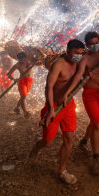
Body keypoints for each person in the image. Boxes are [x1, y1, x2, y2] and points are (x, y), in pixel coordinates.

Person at [29, 39, 85, 185]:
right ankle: (36, 148)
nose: (79, 56)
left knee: (69, 139)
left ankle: (62, 170)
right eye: (75, 53)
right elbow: (48, 87)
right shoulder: (58, 64)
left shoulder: (79, 63)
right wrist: (51, 110)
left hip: (69, 106)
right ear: (67, 52)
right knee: (47, 142)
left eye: (81, 53)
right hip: (53, 106)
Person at [63, 32, 99, 175]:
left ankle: (84, 141)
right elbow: (78, 76)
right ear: (87, 45)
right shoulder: (84, 60)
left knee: (96, 120)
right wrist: (70, 90)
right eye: (91, 44)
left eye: (96, 43)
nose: (94, 45)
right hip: (89, 94)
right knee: (96, 124)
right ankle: (96, 157)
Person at [7, 52, 34, 118]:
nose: (24, 61)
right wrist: (14, 79)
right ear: (19, 60)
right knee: (24, 96)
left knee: (23, 96)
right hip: (22, 81)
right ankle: (26, 112)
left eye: (25, 59)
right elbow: (8, 74)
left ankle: (17, 108)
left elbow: (39, 62)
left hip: (30, 81)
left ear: (26, 58)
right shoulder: (17, 65)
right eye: (22, 60)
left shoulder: (30, 62)